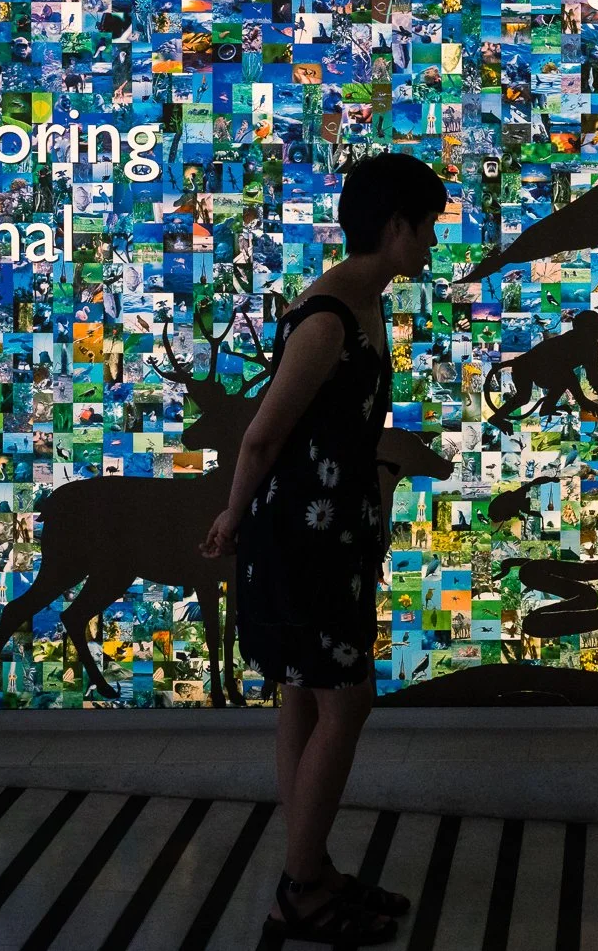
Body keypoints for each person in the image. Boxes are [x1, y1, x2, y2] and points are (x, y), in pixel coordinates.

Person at [201, 150, 447, 946]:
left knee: (306, 695)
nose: (432, 245)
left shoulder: (362, 301)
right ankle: (300, 890)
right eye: (427, 228)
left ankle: (309, 871)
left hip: (330, 533)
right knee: (345, 699)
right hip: (301, 539)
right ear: (395, 225)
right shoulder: (329, 317)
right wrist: (231, 515)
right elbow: (261, 434)